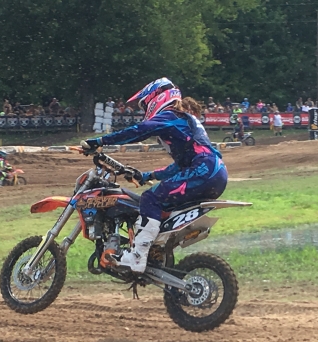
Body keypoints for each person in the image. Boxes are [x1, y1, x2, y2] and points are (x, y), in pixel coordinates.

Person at [80, 78, 227, 273]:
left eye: (145, 104)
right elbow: (179, 166)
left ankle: (137, 257)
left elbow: (138, 131)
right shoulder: (181, 118)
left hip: (203, 171)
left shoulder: (169, 116)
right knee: (163, 204)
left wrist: (100, 141)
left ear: (156, 97)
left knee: (150, 198)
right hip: (214, 172)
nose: (144, 110)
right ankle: (156, 250)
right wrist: (147, 175)